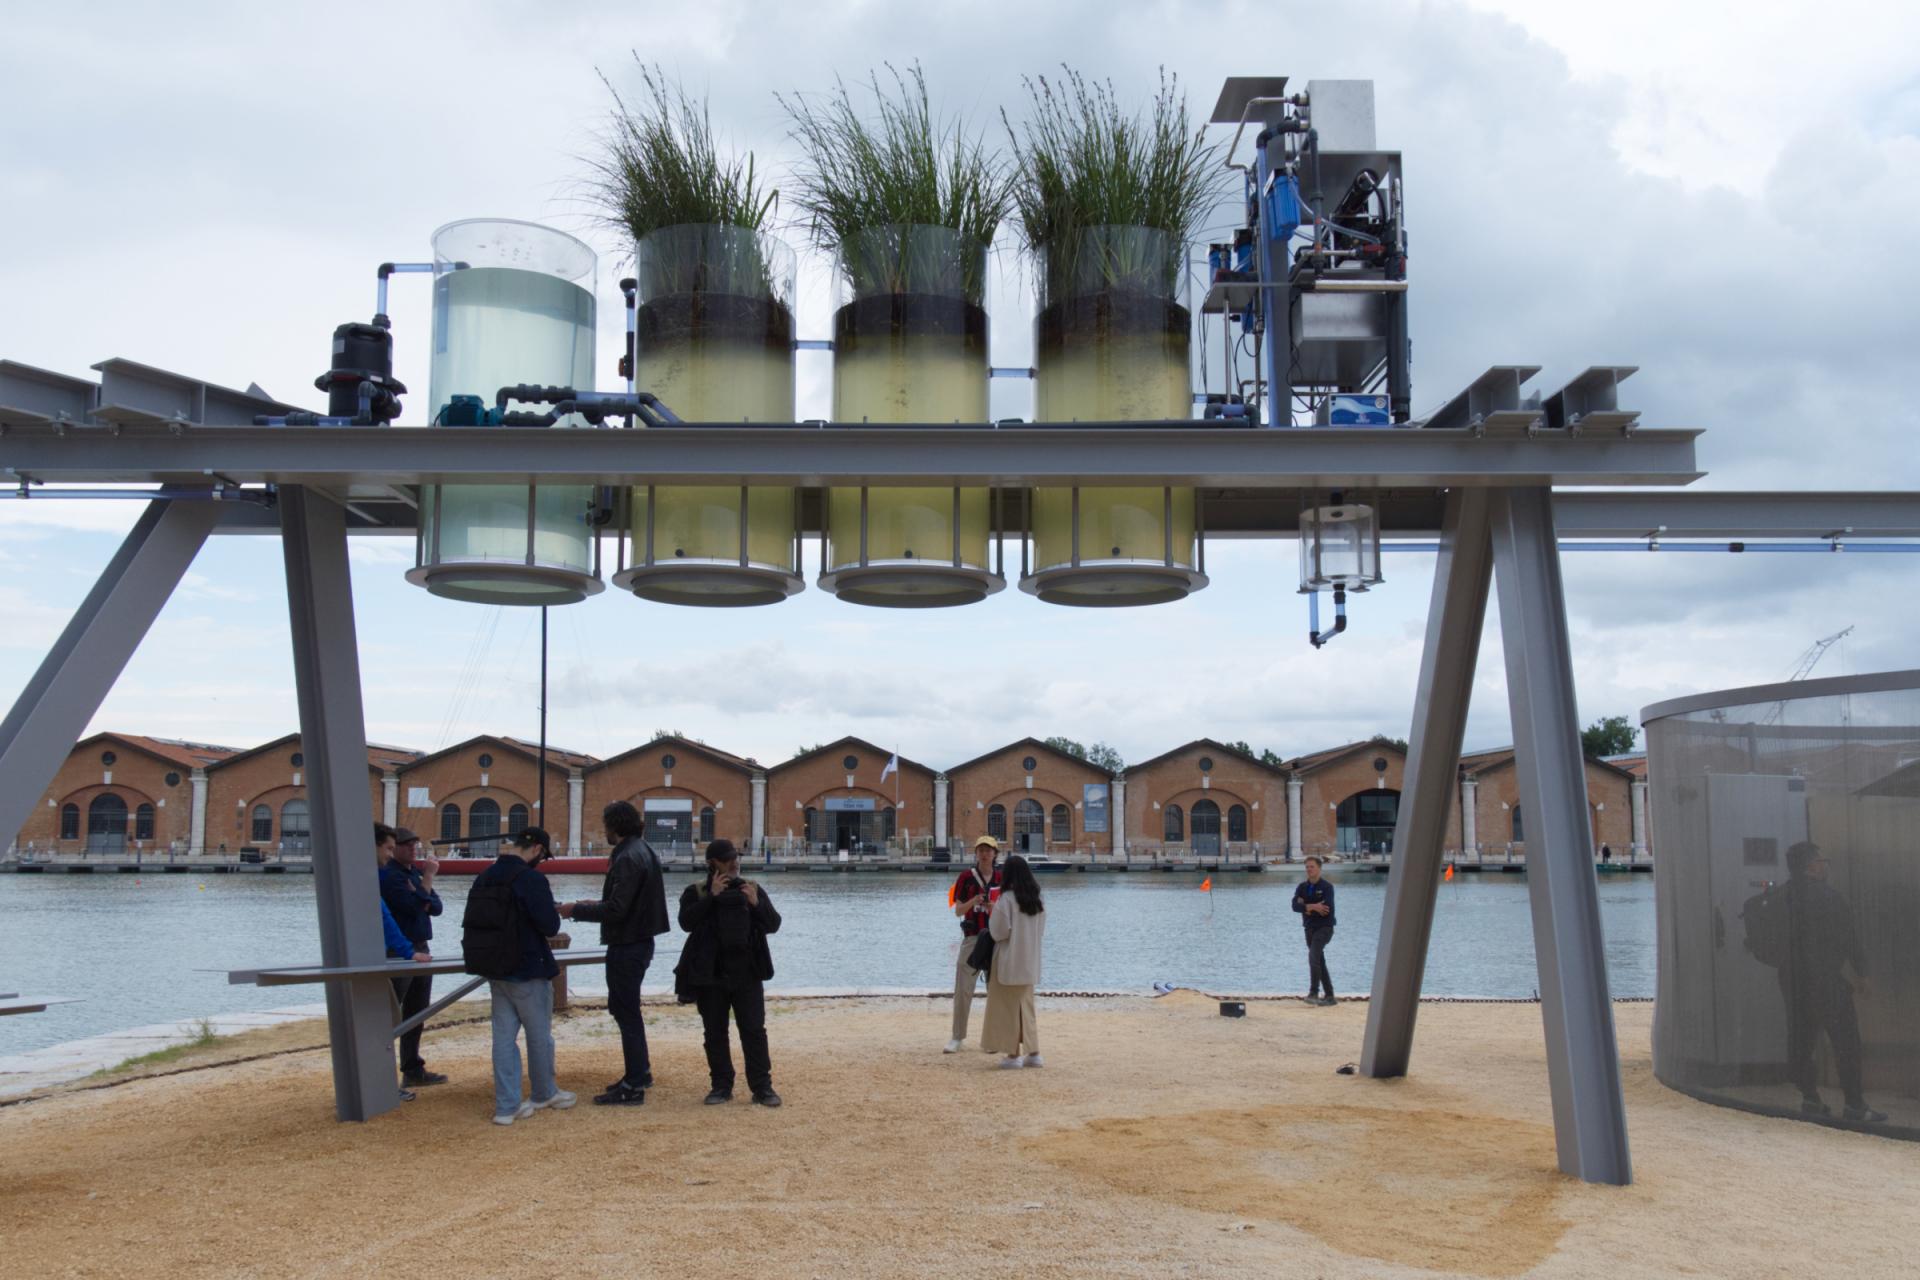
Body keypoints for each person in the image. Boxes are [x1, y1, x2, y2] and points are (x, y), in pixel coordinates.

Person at [560, 801, 669, 1106]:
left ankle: (633, 1085)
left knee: (625, 1011)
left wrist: (575, 910)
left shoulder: (626, 857)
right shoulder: (642, 850)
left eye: (605, 824)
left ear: (615, 825)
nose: (604, 830)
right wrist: (594, 904)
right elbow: (627, 903)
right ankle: (640, 1073)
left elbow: (618, 910)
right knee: (628, 1011)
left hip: (627, 944)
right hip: (639, 940)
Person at [470, 827, 575, 1125]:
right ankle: (544, 1092)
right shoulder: (531, 879)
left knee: (503, 1039)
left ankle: (507, 1106)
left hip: (494, 967)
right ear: (538, 849)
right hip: (528, 967)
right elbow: (549, 926)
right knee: (539, 1035)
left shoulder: (485, 876)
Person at [1778, 842, 1885, 1123]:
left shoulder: (1783, 896)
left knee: (1801, 1041)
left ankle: (1810, 1098)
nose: (1826, 866)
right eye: (1823, 861)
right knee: (1846, 1042)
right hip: (1826, 981)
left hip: (1792, 981)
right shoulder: (1828, 897)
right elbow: (1849, 937)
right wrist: (1862, 974)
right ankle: (1854, 1105)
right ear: (1812, 866)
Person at [675, 839, 782, 1106]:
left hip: (748, 973)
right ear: (712, 864)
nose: (734, 863)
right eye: (727, 859)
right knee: (714, 1032)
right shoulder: (696, 892)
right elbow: (686, 923)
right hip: (710, 975)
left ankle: (762, 1087)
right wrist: (711, 897)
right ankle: (721, 1086)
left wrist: (756, 903)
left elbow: (773, 924)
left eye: (736, 858)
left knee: (754, 1031)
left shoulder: (751, 888)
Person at [380, 825, 446, 1088]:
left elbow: (436, 907)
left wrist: (421, 891)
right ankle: (381, 1074)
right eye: (406, 845)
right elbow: (415, 906)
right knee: (391, 1011)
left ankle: (412, 1068)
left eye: (414, 844)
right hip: (399, 951)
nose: (413, 849)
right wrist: (426, 882)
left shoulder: (413, 874)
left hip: (422, 947)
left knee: (417, 1011)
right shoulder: (390, 876)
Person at [982, 854, 1046, 1069]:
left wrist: (992, 912)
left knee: (1007, 1008)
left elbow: (998, 932)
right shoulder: (1038, 900)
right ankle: (1034, 1053)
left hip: (1009, 959)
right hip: (1030, 961)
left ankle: (1013, 1055)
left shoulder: (1006, 900)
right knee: (1027, 1008)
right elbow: (1041, 930)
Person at [945, 835, 1002, 1054]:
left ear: (995, 854)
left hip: (996, 938)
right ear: (976, 853)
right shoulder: (966, 877)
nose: (985, 854)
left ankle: (993, 1038)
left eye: (988, 850)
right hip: (972, 937)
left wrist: (993, 907)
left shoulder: (1001, 877)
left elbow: (1010, 909)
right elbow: (958, 910)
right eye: (981, 850)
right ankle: (957, 1036)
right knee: (963, 989)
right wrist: (974, 901)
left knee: (995, 990)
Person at [1292, 855, 1336, 1005]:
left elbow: (1327, 910)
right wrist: (1312, 906)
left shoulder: (1327, 887)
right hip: (1309, 928)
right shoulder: (1302, 887)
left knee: (1313, 956)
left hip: (1325, 928)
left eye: (1312, 867)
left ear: (1319, 868)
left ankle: (1314, 993)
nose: (1309, 869)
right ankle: (1330, 996)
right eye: (1307, 867)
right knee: (1319, 961)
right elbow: (1295, 906)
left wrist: (1305, 906)